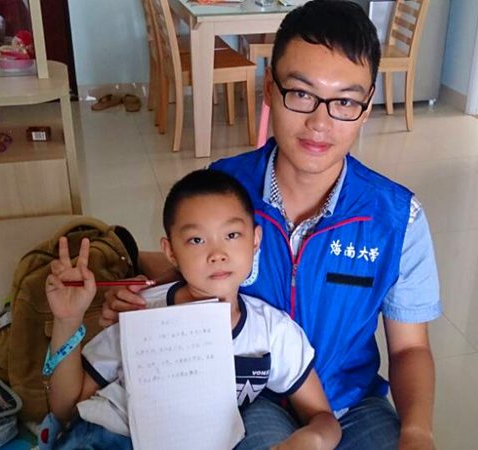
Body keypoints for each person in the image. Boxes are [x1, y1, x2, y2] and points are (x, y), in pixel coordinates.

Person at [103, 1, 442, 449]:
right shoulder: (226, 189)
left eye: (344, 101)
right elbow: (194, 275)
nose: (319, 122)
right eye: (301, 94)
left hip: (352, 400)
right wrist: (137, 301)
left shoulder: (398, 218)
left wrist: (416, 431)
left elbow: (410, 348)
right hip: (252, 396)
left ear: (365, 107)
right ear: (269, 87)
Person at [43, 170, 342, 449]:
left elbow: (323, 417)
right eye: (196, 240)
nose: (217, 254)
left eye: (232, 235)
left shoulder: (272, 332)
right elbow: (67, 406)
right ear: (170, 251)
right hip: (112, 437)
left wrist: (313, 439)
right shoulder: (141, 312)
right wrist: (67, 320)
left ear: (255, 240)